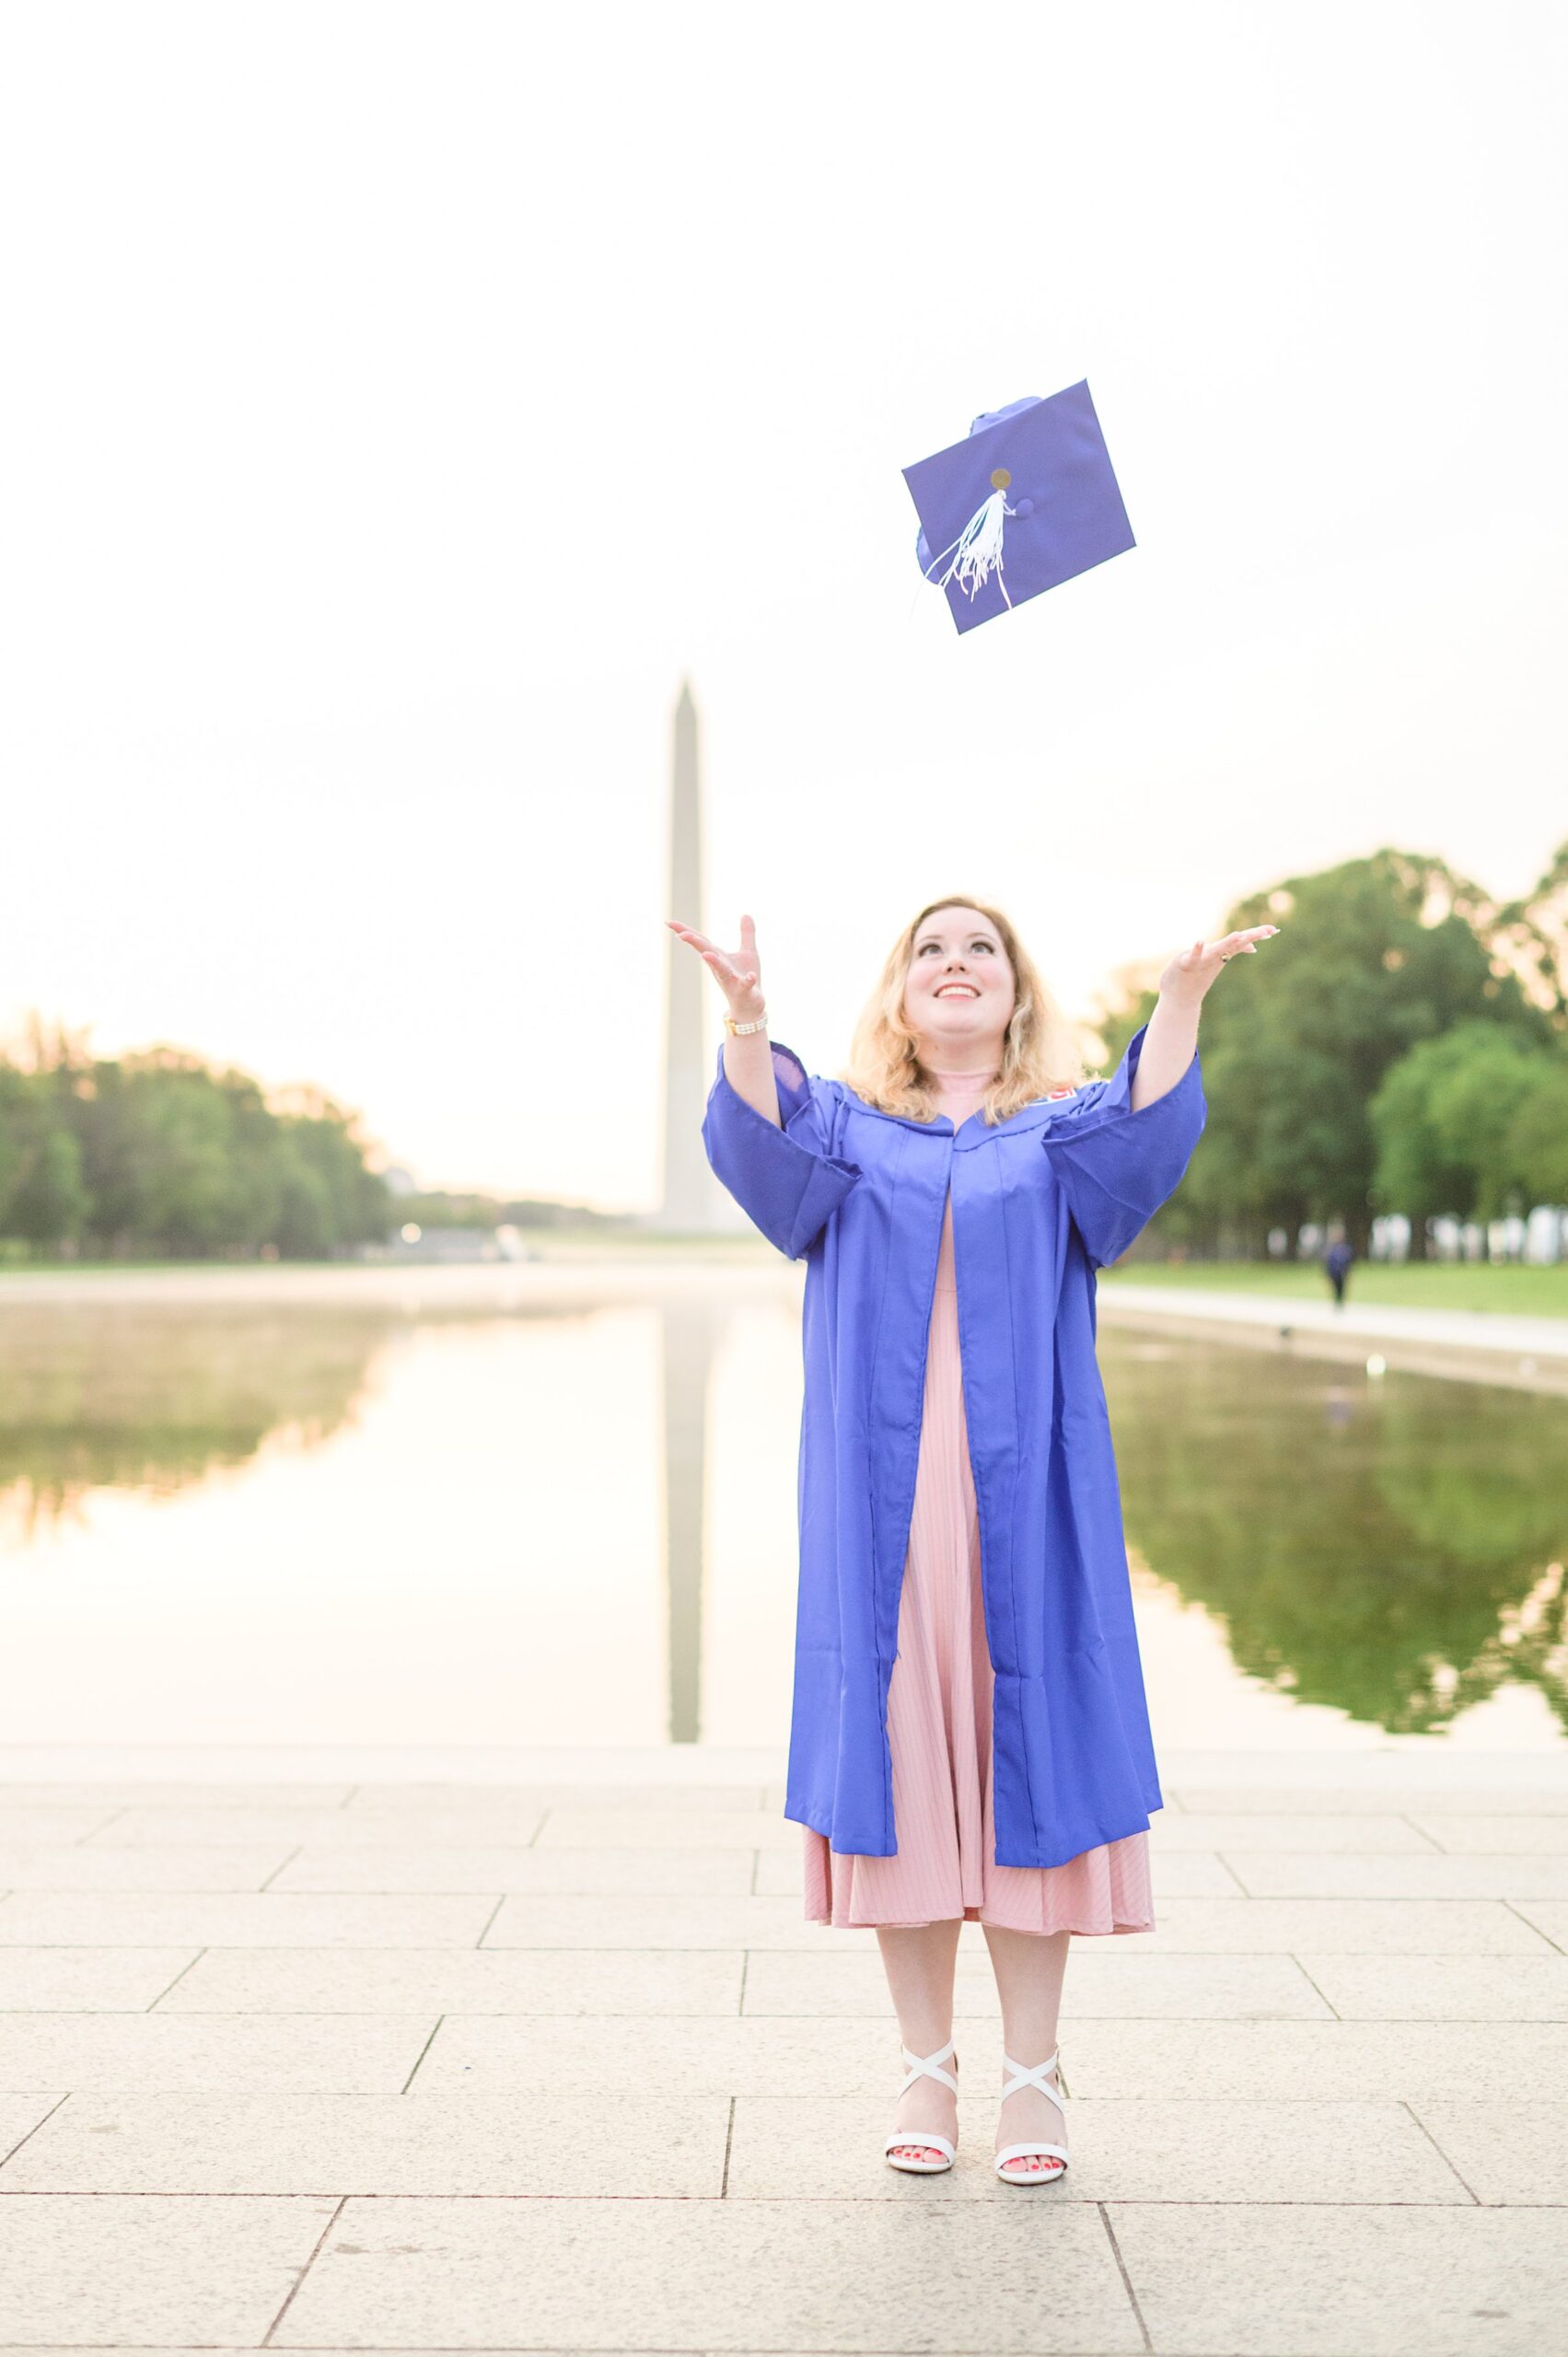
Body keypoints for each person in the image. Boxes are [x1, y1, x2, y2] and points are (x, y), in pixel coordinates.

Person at [668, 896, 1274, 2184]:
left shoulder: (1054, 1133)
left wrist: (1180, 999)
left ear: (1013, 993)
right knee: (901, 1766)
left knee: (1025, 1763)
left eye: (980, 950)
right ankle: (925, 2068)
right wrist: (745, 1016)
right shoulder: (843, 1125)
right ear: (899, 991)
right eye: (930, 949)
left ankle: (1034, 2077)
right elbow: (753, 1144)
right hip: (882, 1511)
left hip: (1025, 1501)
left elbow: (1150, 1127)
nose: (954, 965)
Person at [1324, 1230, 1354, 1308]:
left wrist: (1348, 1272)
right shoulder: (1332, 1249)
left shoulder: (1345, 1248)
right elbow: (1328, 1262)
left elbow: (1349, 1261)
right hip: (1334, 1273)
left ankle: (1340, 1303)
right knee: (1336, 1288)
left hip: (1342, 1273)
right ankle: (1337, 1302)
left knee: (1342, 1288)